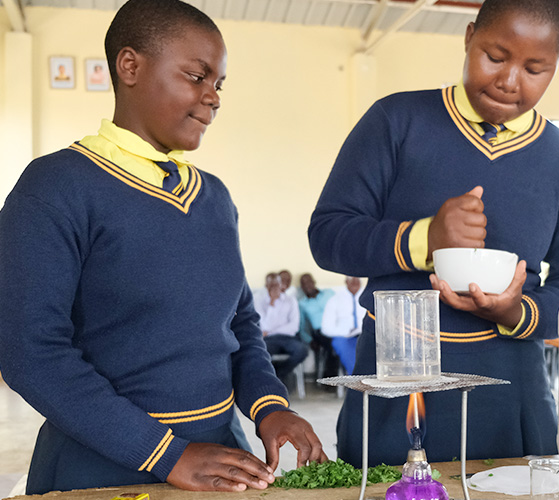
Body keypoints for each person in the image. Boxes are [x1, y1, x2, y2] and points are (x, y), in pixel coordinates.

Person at [0, 0, 326, 494]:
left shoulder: (213, 197)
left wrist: (269, 406)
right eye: (196, 76)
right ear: (130, 66)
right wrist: (168, 455)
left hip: (222, 460)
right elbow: (28, 351)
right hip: (101, 469)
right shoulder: (56, 186)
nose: (212, 97)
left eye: (218, 83)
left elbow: (239, 322)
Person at [308, 0, 559, 467]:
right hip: (394, 384)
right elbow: (327, 236)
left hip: (513, 392)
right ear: (469, 37)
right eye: (495, 56)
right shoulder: (396, 121)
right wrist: (425, 239)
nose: (509, 81)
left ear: (556, 65)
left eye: (535, 68)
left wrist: (518, 310)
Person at [257, 274, 308, 380]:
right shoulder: (259, 300)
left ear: (281, 285)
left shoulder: (291, 301)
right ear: (266, 285)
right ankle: (269, 379)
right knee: (261, 352)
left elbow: (294, 327)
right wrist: (272, 303)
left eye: (276, 284)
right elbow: (264, 325)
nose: (274, 287)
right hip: (268, 339)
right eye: (271, 285)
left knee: (302, 351)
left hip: (288, 338)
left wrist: (271, 331)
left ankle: (279, 374)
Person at [320, 276, 366, 375]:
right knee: (342, 345)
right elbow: (326, 327)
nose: (355, 282)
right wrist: (346, 332)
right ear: (346, 281)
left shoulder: (368, 298)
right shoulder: (335, 300)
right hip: (344, 337)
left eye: (357, 279)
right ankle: (356, 379)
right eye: (352, 279)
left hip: (364, 335)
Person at [297, 273, 337, 377]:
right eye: (304, 284)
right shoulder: (302, 304)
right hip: (320, 332)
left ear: (314, 282)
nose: (307, 285)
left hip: (337, 328)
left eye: (309, 282)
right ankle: (330, 378)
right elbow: (302, 326)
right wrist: (310, 340)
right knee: (332, 344)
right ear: (301, 287)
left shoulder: (329, 293)